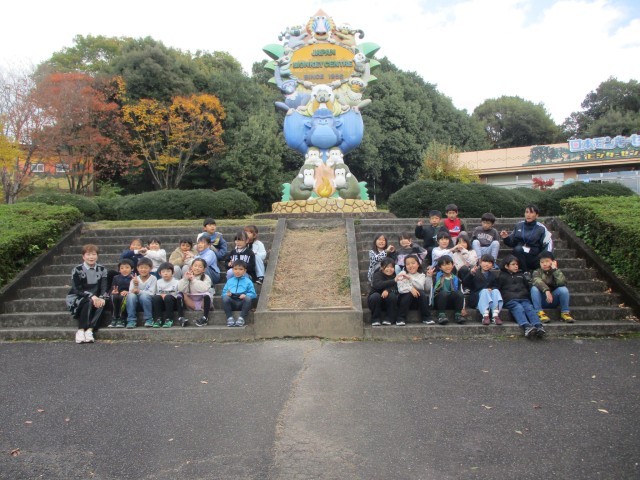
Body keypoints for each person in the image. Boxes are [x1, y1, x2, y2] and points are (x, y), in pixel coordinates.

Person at [66, 244, 108, 344]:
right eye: (88, 254)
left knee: (102, 302)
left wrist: (101, 297)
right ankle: (81, 330)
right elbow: (76, 289)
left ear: (97, 256)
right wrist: (91, 296)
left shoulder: (102, 269)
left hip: (96, 296)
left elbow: (104, 287)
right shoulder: (77, 270)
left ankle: (90, 330)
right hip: (78, 296)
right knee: (88, 301)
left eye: (93, 254)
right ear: (83, 257)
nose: (91, 257)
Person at [498, 254, 546, 338]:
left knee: (529, 308)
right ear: (506, 266)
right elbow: (498, 288)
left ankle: (538, 326)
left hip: (523, 298)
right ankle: (526, 326)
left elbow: (527, 286)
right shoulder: (501, 276)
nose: (516, 266)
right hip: (510, 300)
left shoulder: (521, 275)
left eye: (517, 264)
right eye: (513, 264)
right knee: (518, 308)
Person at [500, 204, 553, 272]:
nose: (528, 215)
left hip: (534, 256)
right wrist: (506, 238)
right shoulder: (519, 225)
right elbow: (512, 243)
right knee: (517, 249)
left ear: (537, 215)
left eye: (531, 212)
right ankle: (525, 272)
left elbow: (548, 244)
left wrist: (545, 258)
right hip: (520, 256)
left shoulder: (541, 228)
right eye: (527, 212)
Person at [530, 251, 574, 323]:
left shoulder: (556, 271)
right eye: (542, 262)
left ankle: (565, 312)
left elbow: (562, 283)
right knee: (534, 289)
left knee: (563, 289)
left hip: (553, 300)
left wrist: (555, 270)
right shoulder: (536, 272)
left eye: (547, 261)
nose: (544, 264)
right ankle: (539, 312)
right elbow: (537, 281)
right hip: (542, 299)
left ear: (553, 262)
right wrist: (547, 290)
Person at [462, 254, 503, 325]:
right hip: (477, 298)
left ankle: (495, 315)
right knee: (484, 291)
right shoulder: (474, 273)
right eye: (485, 261)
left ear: (492, 265)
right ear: (480, 262)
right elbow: (465, 283)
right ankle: (485, 316)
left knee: (496, 291)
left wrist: (492, 289)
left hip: (489, 300)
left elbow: (496, 286)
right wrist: (471, 274)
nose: (486, 264)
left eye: (489, 263)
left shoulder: (493, 275)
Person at [396, 254, 434, 326]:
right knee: (407, 294)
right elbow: (400, 288)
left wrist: (410, 278)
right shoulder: (402, 274)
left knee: (421, 293)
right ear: (405, 266)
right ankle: (400, 318)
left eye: (413, 263)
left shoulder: (421, 275)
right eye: (408, 264)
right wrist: (411, 289)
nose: (410, 265)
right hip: (404, 301)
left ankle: (426, 317)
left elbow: (421, 287)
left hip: (418, 301)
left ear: (418, 264)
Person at [178, 258, 213, 327]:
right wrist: (185, 279)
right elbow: (181, 289)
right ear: (191, 267)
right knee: (180, 294)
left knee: (207, 295)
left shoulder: (206, 277)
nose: (197, 268)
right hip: (191, 302)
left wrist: (193, 280)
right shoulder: (187, 276)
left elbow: (204, 289)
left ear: (204, 269)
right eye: (195, 266)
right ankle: (181, 317)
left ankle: (205, 318)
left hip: (202, 302)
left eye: (200, 267)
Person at [222, 260, 257, 327]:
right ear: (232, 270)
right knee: (225, 298)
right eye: (235, 269)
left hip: (242, 303)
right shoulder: (229, 281)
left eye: (240, 269)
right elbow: (223, 293)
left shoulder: (248, 281)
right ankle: (229, 318)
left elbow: (253, 294)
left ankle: (241, 318)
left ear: (245, 271)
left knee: (248, 298)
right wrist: (227, 294)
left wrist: (246, 295)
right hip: (232, 301)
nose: (237, 271)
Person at [431, 255, 465, 325]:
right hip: (439, 301)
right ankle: (441, 315)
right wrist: (429, 277)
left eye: (449, 264)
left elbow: (461, 292)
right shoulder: (436, 277)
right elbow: (428, 288)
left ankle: (458, 315)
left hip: (451, 301)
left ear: (452, 265)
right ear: (440, 267)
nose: (447, 267)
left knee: (458, 294)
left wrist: (463, 307)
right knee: (443, 293)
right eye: (444, 265)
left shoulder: (455, 278)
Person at [125, 257, 157, 329]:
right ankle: (131, 320)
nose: (143, 270)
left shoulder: (153, 278)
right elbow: (131, 292)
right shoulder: (134, 279)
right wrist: (135, 285)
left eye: (146, 268)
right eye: (141, 268)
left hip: (147, 300)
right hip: (135, 301)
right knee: (131, 296)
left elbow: (152, 293)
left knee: (144, 296)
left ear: (150, 268)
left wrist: (139, 291)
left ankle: (149, 319)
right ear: (137, 268)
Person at [368, 257, 399, 326]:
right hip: (375, 302)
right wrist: (393, 281)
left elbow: (397, 288)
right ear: (382, 267)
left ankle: (389, 319)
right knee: (375, 296)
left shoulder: (395, 276)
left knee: (392, 296)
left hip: (388, 303)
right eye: (387, 267)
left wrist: (388, 290)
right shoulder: (377, 275)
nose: (389, 269)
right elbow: (378, 285)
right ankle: (375, 319)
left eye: (392, 267)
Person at [151, 262, 184, 328]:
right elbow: (156, 293)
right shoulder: (158, 282)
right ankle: (158, 319)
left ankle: (169, 319)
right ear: (160, 273)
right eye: (163, 272)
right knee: (156, 298)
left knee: (168, 297)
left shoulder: (177, 282)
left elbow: (179, 295)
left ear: (173, 273)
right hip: (162, 303)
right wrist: (161, 295)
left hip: (172, 303)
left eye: (168, 271)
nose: (166, 273)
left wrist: (166, 295)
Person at [108, 258, 134, 328]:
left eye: (127, 267)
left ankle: (121, 318)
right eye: (122, 268)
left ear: (132, 269)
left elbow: (135, 288)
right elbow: (113, 287)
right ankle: (114, 317)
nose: (124, 270)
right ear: (119, 270)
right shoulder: (116, 277)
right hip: (118, 293)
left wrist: (128, 292)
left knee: (123, 297)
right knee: (113, 296)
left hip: (127, 294)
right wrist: (113, 291)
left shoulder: (133, 278)